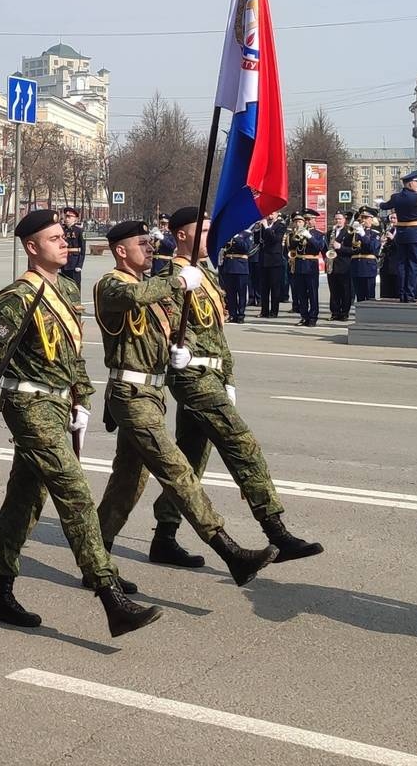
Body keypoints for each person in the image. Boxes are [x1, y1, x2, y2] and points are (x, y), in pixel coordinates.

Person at [0, 209, 161, 637]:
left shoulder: (67, 289)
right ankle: (110, 597)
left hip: (56, 406)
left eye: (63, 236)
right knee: (74, 494)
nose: (64, 243)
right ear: (32, 248)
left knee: (24, 502)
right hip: (28, 406)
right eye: (54, 239)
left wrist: (82, 400)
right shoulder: (17, 297)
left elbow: (72, 353)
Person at [91, 219, 278, 585]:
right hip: (131, 395)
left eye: (150, 242)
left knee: (127, 483)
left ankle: (95, 557)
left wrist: (184, 351)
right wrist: (178, 280)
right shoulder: (111, 285)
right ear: (120, 251)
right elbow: (132, 299)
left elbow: (180, 328)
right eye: (141, 243)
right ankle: (229, 551)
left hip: (152, 394)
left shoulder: (150, 287)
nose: (149, 248)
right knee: (177, 471)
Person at [148, 207, 324, 568]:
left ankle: (164, 537)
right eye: (203, 230)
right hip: (192, 376)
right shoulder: (173, 277)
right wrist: (179, 352)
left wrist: (228, 378)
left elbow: (218, 335)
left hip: (212, 376)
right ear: (181, 234)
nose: (210, 236)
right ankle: (276, 531)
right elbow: (165, 330)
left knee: (191, 457)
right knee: (241, 443)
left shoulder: (206, 276)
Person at [377, 170, 417, 302]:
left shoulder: (396, 197)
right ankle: (410, 294)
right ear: (410, 184)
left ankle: (402, 294)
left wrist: (380, 203)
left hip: (401, 234)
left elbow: (384, 205)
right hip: (414, 234)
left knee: (401, 265)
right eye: (416, 183)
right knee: (413, 265)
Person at [287, 209, 325, 326]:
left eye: (310, 219)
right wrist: (296, 235)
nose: (307, 222)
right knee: (301, 292)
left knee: (313, 292)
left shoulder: (319, 234)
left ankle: (313, 317)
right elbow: (290, 248)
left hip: (311, 265)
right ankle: (304, 316)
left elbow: (319, 247)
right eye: (306, 219)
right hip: (299, 264)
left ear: (314, 221)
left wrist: (309, 237)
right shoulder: (295, 233)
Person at [252, 212, 287, 319]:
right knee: (264, 288)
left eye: (272, 214)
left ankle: (274, 311)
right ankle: (264, 311)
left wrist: (266, 227)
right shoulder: (264, 225)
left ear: (277, 214)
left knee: (275, 287)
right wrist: (257, 229)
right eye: (269, 214)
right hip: (263, 260)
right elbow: (257, 241)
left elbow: (274, 239)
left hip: (275, 260)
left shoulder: (280, 225)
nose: (270, 216)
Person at [218, 231, 251, 324]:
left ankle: (241, 314)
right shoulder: (227, 234)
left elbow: (246, 248)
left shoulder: (246, 234)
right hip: (228, 266)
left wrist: (236, 238)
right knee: (230, 294)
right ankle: (233, 314)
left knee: (241, 293)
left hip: (241, 267)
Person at [59, 206, 86, 287]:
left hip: (74, 262)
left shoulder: (79, 231)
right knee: (64, 287)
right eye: (65, 216)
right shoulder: (62, 230)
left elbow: (83, 250)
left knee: (75, 286)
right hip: (64, 263)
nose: (66, 219)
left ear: (75, 219)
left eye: (69, 217)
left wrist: (79, 265)